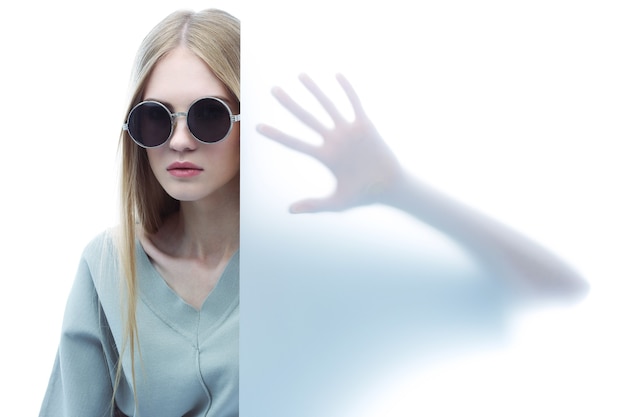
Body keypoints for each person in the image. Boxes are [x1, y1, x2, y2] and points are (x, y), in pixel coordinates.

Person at [39, 9, 240, 417]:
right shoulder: (108, 265)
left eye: (208, 114)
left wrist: (390, 188)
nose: (180, 141)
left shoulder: (302, 263)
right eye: (156, 118)